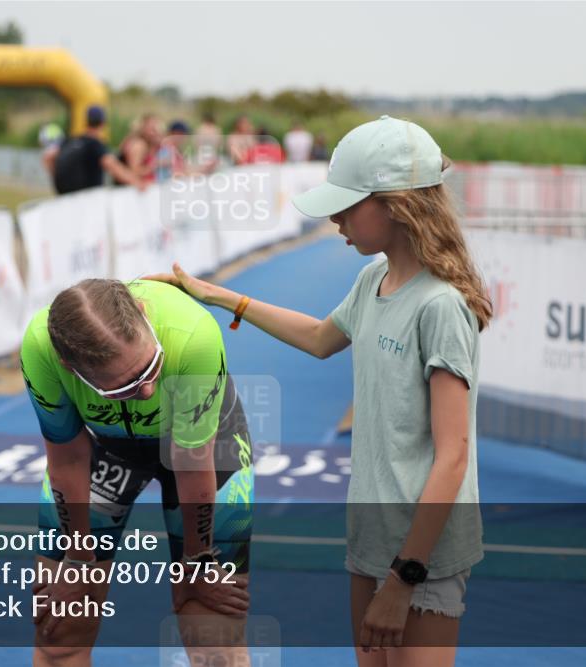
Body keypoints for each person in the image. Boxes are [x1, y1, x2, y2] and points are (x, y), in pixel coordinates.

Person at [149, 115, 489, 667]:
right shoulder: (371, 280)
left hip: (422, 552)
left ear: (397, 205)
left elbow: (452, 457)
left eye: (348, 206)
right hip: (371, 534)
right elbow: (318, 337)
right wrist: (214, 294)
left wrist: (404, 580)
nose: (335, 220)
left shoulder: (441, 306)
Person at [20, 278, 254, 667]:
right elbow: (68, 458)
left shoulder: (193, 334)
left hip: (204, 450)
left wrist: (196, 562)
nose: (146, 391)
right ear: (69, 366)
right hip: (102, 447)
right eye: (122, 388)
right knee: (61, 630)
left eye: (152, 367)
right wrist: (78, 559)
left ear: (143, 315)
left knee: (212, 633)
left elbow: (192, 460)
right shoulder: (41, 348)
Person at [52, 106, 143, 194]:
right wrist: (136, 182)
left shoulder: (71, 140)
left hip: (65, 196)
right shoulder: (95, 144)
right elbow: (110, 164)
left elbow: (49, 156)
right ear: (103, 123)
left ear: (86, 121)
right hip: (87, 196)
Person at [117, 112, 162, 183]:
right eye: (152, 129)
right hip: (127, 190)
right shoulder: (138, 145)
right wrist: (154, 166)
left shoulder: (147, 144)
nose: (154, 132)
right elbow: (133, 172)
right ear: (143, 128)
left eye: (156, 129)